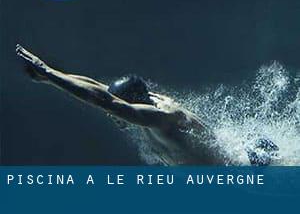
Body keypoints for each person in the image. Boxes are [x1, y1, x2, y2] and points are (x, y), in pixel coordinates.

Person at [15, 44, 277, 165]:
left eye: (115, 110)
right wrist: (51, 77)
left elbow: (105, 101)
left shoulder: (161, 118)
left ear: (132, 104)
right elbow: (99, 90)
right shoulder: (146, 103)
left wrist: (48, 73)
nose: (111, 115)